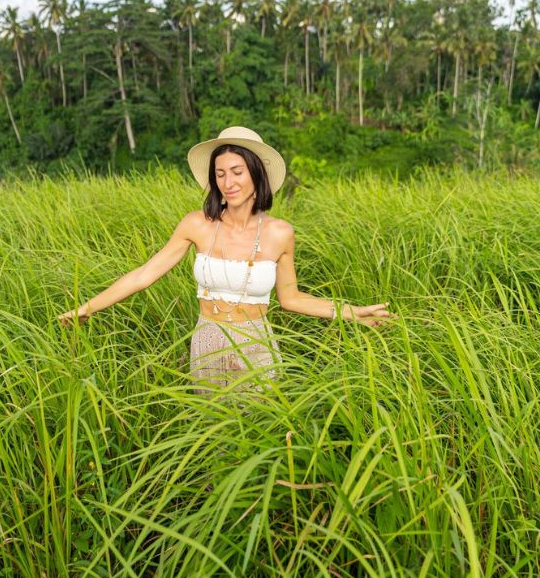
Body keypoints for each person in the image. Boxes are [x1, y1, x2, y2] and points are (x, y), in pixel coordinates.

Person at [57, 126, 392, 395]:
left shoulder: (279, 233)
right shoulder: (197, 225)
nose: (228, 183)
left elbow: (291, 299)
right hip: (207, 340)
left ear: (256, 174)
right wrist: (88, 307)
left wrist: (350, 313)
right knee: (212, 441)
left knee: (257, 440)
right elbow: (145, 274)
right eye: (219, 174)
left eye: (237, 172)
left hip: (256, 344)